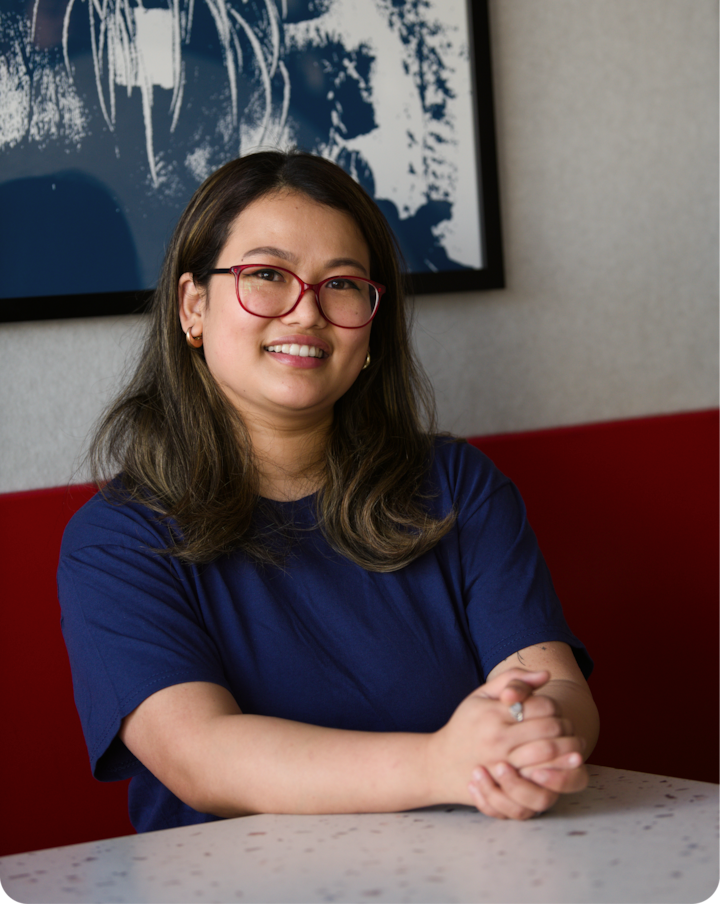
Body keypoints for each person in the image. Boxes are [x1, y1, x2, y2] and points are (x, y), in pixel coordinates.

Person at [58, 150, 599, 834]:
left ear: (371, 323)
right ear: (194, 307)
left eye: (341, 284)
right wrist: (443, 763)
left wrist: (532, 735)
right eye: (265, 274)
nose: (305, 311)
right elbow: (204, 761)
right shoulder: (116, 539)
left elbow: (556, 688)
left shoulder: (459, 484)